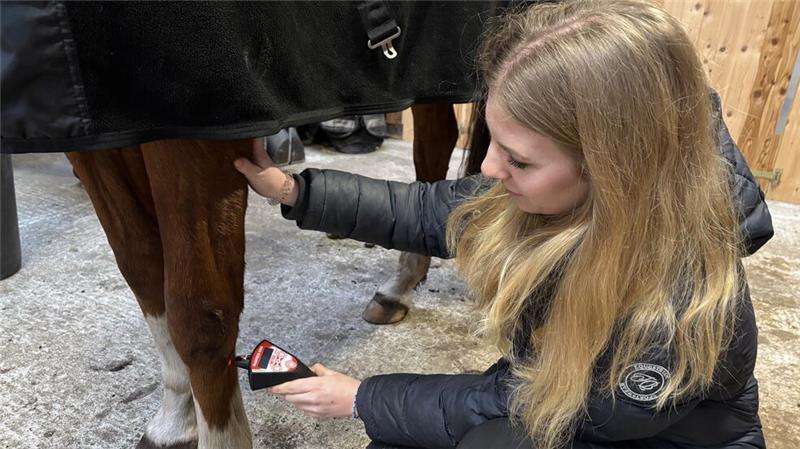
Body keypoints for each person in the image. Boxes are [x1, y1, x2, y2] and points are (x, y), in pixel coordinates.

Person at [233, 1, 773, 448]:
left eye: (519, 161)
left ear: (612, 169)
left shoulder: (680, 307)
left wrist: (360, 396)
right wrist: (294, 191)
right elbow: (428, 210)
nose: (490, 169)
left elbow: (547, 407)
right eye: (492, 143)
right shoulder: (572, 198)